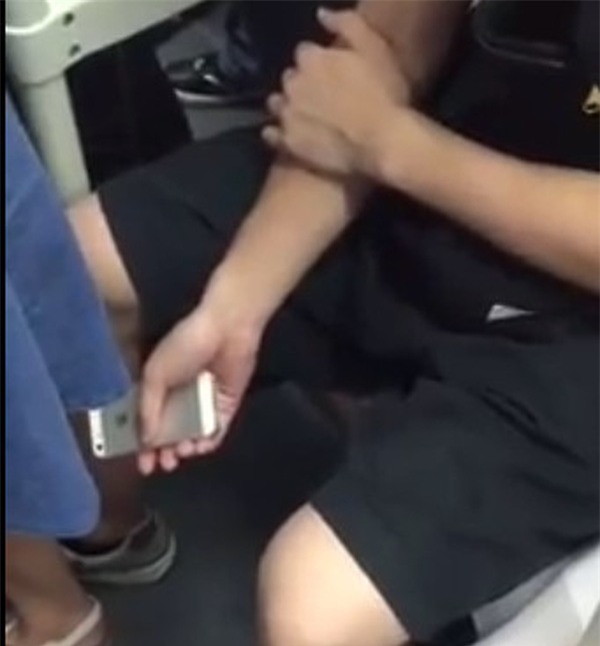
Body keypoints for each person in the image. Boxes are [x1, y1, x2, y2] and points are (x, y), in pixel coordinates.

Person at [69, 1, 599, 644]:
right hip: (427, 184)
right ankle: (110, 538)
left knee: (311, 611)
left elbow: (373, 132)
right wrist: (235, 307)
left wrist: (393, 145)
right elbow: (378, 56)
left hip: (573, 321)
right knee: (77, 270)